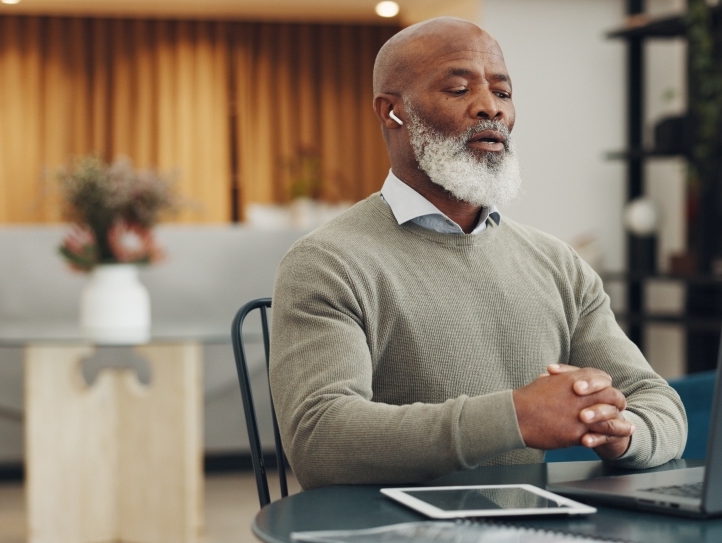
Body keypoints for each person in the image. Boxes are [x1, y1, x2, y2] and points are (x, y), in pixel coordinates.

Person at [269, 17, 686, 490]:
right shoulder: (327, 263)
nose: (489, 108)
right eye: (457, 89)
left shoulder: (558, 264)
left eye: (503, 94)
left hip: (538, 542)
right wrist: (513, 417)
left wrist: (622, 432)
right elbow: (320, 438)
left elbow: (657, 403)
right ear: (392, 112)